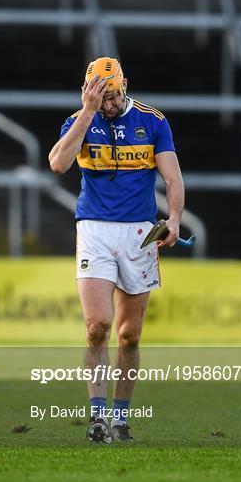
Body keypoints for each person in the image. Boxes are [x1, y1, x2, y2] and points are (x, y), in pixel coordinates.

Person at [49, 57, 184, 442]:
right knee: (97, 327)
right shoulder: (80, 120)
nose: (109, 103)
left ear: (127, 85)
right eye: (101, 96)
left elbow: (173, 178)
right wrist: (88, 112)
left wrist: (173, 219)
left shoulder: (153, 122)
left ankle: (122, 418)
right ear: (88, 91)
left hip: (140, 233)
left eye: (115, 95)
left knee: (129, 334)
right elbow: (58, 163)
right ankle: (96, 417)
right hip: (94, 230)